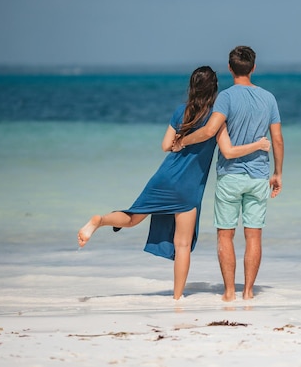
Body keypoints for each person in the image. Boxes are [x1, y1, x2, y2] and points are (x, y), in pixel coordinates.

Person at [76, 66, 270, 300]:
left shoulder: (181, 112)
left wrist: (181, 141)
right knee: (182, 245)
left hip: (163, 177)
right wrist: (258, 145)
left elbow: (165, 145)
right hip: (187, 188)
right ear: (214, 90)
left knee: (133, 217)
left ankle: (101, 220)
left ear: (192, 87)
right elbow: (228, 152)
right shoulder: (216, 119)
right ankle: (177, 298)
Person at [178, 46, 284, 302]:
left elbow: (208, 131)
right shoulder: (269, 98)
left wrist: (183, 141)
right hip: (259, 175)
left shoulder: (225, 97)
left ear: (229, 68)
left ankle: (228, 293)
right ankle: (248, 292)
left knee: (225, 235)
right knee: (254, 235)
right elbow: (277, 140)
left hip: (229, 175)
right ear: (254, 68)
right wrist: (278, 173)